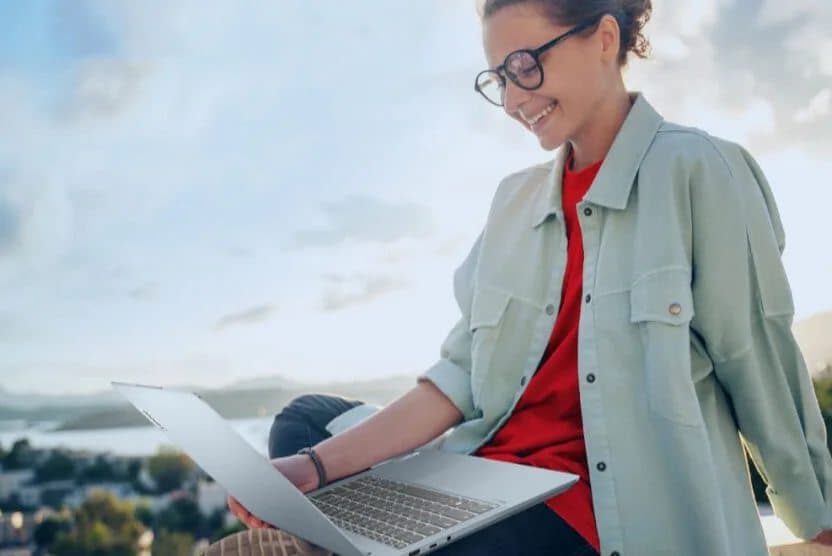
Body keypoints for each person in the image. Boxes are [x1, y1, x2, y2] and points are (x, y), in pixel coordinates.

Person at [205, 1, 832, 554]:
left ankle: (340, 540)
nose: (511, 99)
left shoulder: (699, 169)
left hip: (590, 511)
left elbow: (757, 359)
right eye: (499, 77)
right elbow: (458, 379)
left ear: (605, 38)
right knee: (302, 421)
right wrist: (312, 470)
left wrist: (815, 514)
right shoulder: (514, 203)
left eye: (526, 65)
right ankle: (352, 527)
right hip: (480, 476)